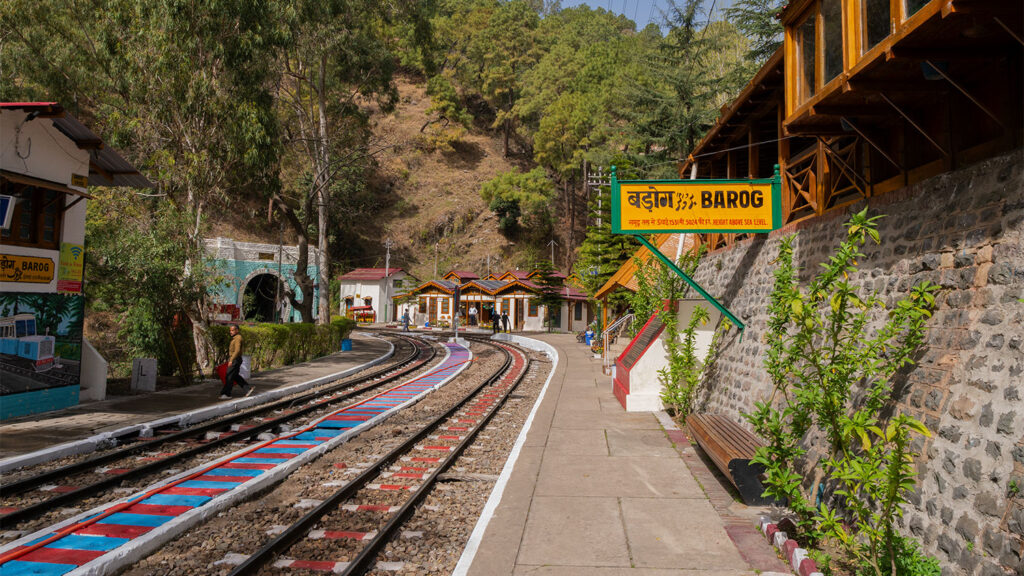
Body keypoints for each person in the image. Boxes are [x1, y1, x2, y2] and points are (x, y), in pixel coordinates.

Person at [220, 325, 254, 399]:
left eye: (232, 330)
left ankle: (226, 394)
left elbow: (237, 350)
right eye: (230, 330)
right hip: (236, 359)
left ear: (237, 330)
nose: (231, 332)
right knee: (234, 376)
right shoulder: (235, 338)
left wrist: (231, 360)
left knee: (229, 376)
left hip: (235, 359)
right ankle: (247, 389)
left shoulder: (238, 338)